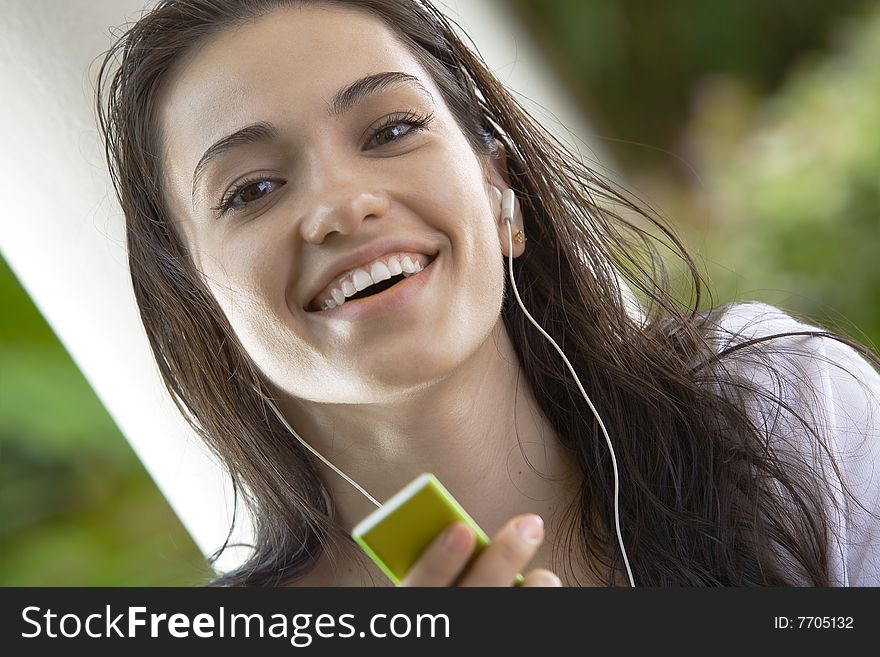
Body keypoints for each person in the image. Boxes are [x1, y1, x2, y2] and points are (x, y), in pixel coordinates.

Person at [96, 0, 880, 587]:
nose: (342, 205)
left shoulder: (785, 408)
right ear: (196, 302)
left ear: (497, 186)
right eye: (254, 188)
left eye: (391, 130)